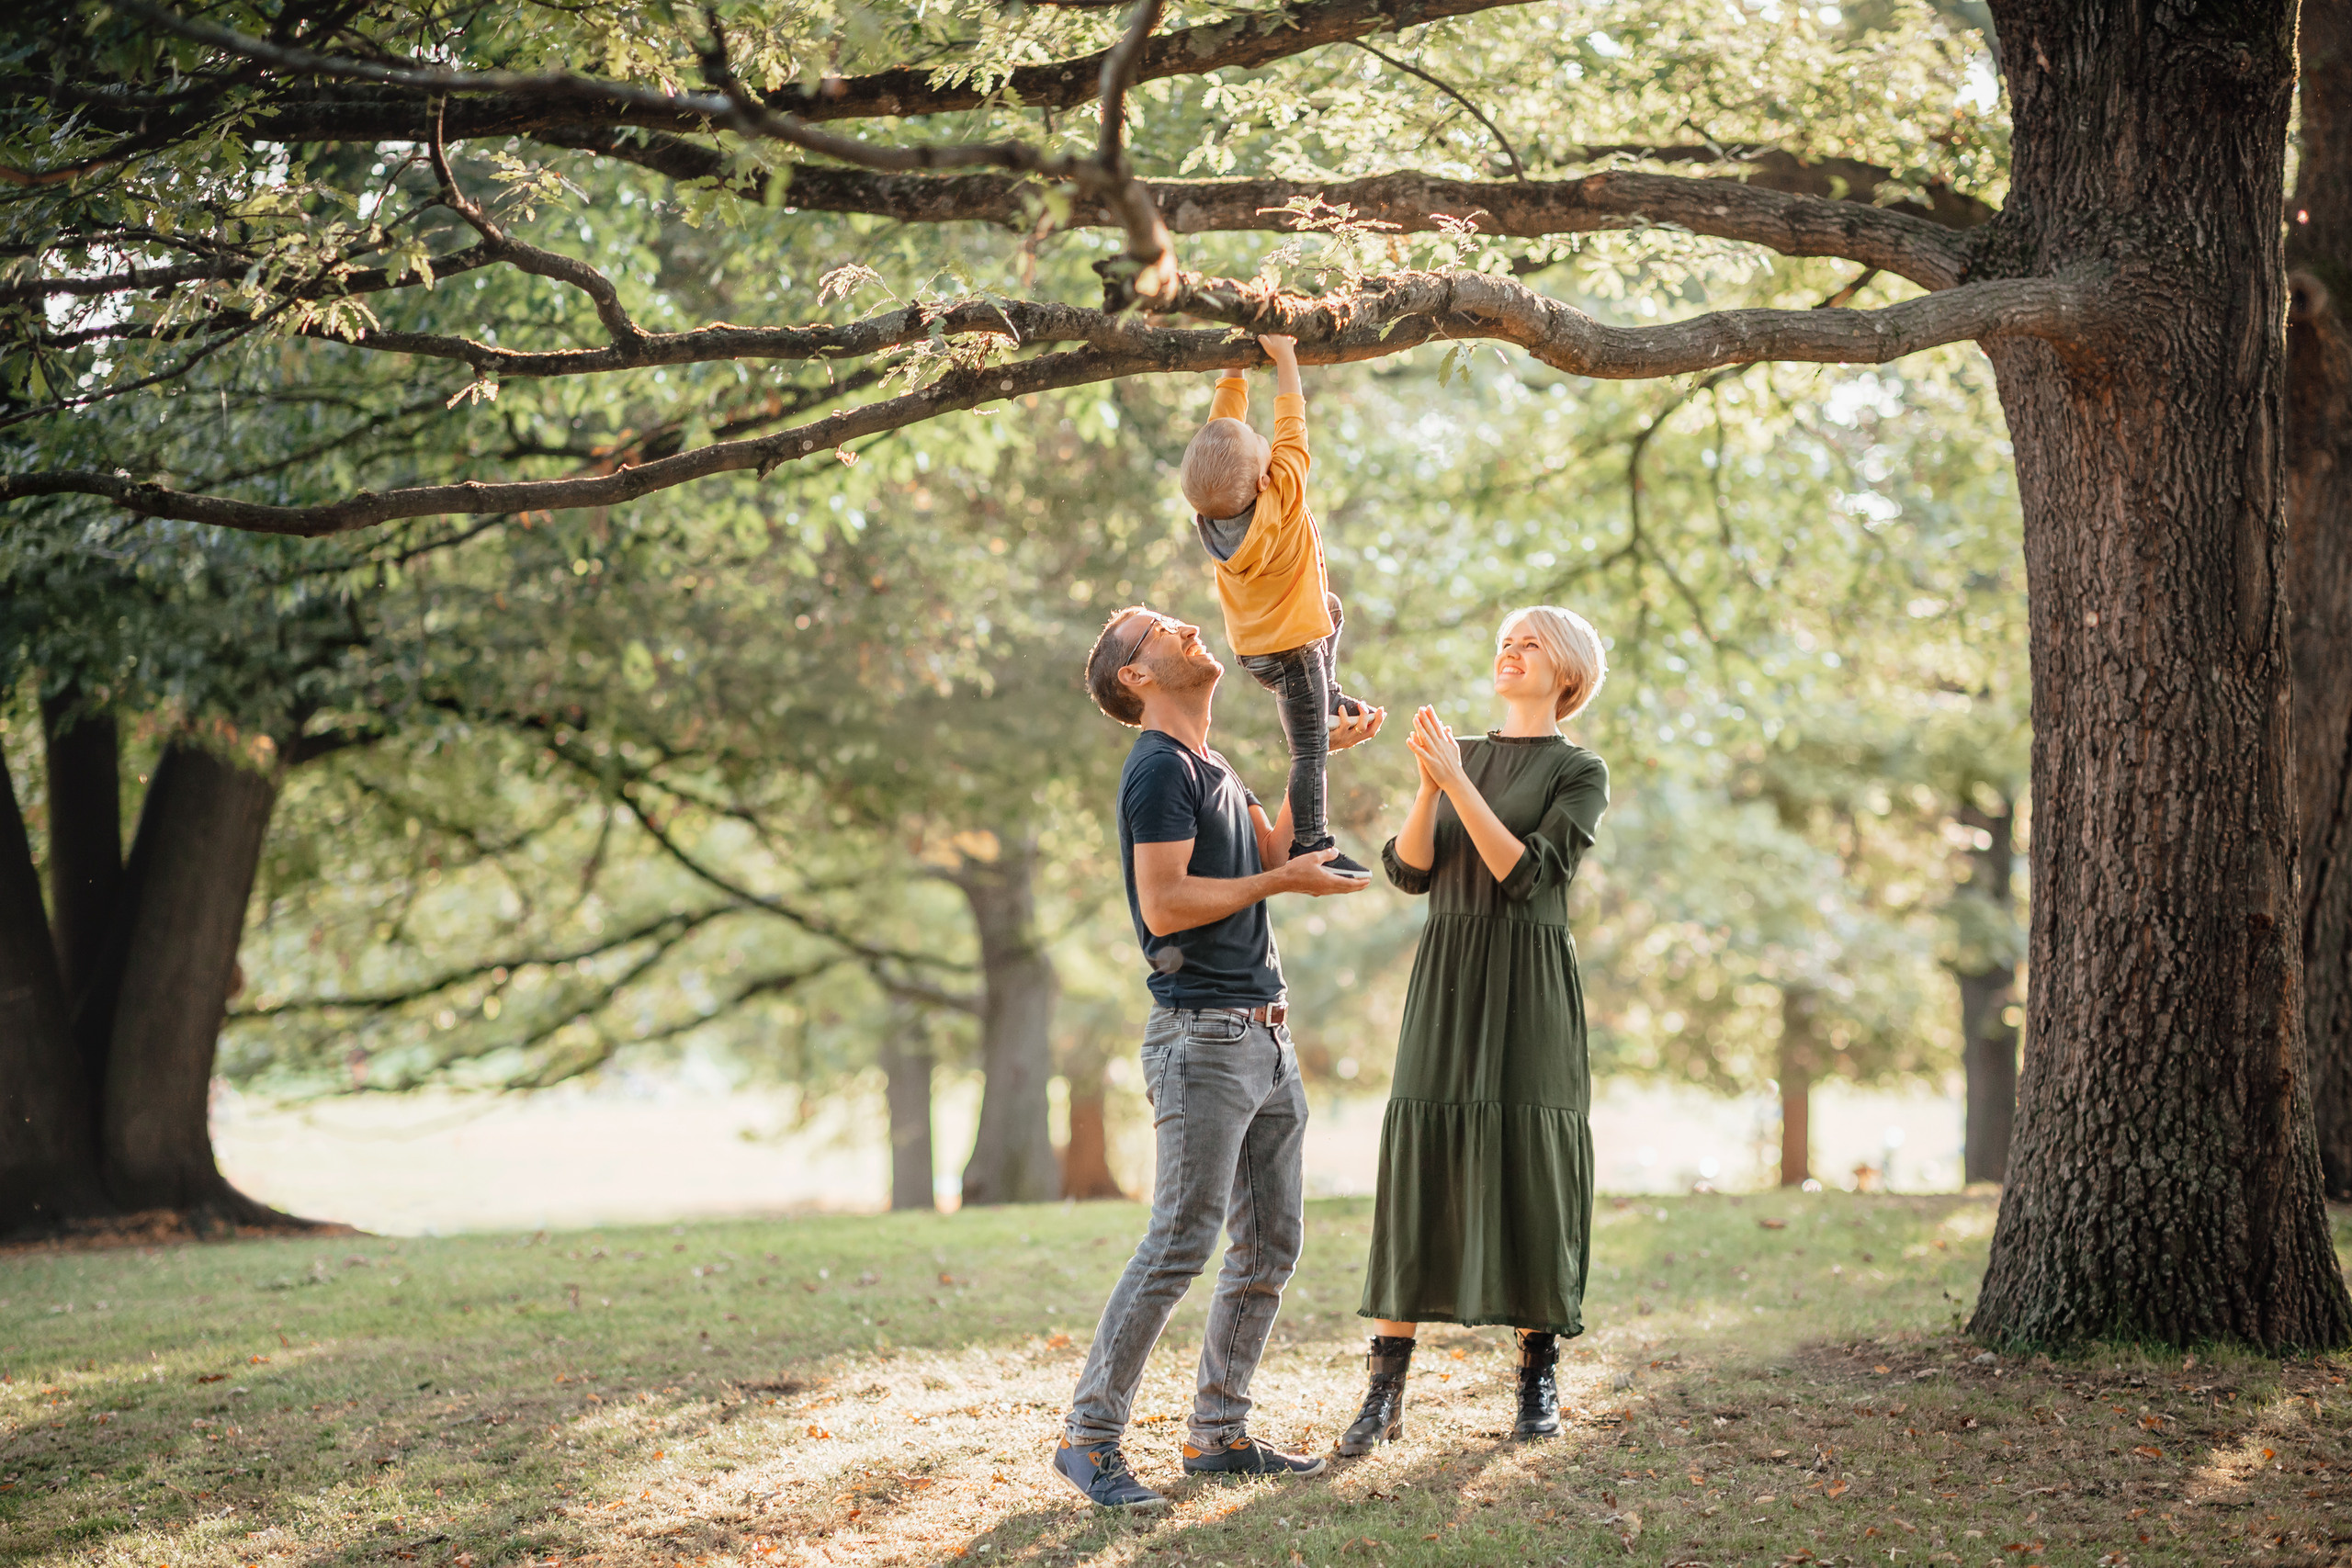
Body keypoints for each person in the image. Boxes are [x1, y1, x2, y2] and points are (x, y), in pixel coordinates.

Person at [1054, 604, 1384, 1508]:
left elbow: (1272, 851)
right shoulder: (1157, 769)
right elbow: (1164, 907)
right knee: (1179, 1242)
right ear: (1136, 675)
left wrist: (1314, 776)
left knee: (1271, 1240)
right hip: (1201, 1037)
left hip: (1262, 1034)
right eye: (1158, 627)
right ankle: (1089, 1440)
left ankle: (1218, 1434)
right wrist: (1283, 878)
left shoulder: (1209, 763)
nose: (1186, 624)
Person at [1337, 605, 1611, 1454]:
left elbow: (1527, 875)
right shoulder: (1461, 758)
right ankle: (1385, 1386)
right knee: (1423, 1150)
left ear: (1565, 671)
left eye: (1529, 644)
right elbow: (1410, 870)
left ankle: (1536, 1373)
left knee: (1531, 1160)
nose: (1510, 653)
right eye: (1505, 642)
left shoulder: (1580, 769)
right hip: (1448, 975)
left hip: (1528, 982)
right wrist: (1429, 786)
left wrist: (1456, 781)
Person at [1179, 333, 1371, 879]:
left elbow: (1224, 429)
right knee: (1308, 752)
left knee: (1329, 607)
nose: (1266, 439)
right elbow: (1293, 427)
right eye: (1262, 445)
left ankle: (1329, 697)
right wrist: (1285, 357)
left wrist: (1233, 370)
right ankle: (1312, 843)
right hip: (1294, 656)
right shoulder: (1281, 497)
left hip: (1258, 651)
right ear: (1266, 475)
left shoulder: (1213, 514)